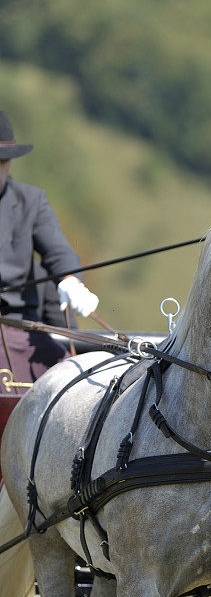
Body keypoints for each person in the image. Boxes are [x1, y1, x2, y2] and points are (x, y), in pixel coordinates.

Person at [0, 111, 98, 389]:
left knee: (72, 380)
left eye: (3, 161)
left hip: (23, 328)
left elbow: (57, 249)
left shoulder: (32, 201)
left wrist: (71, 281)